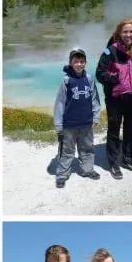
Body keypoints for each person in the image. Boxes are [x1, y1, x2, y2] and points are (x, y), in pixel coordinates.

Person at [96, 19, 132, 179]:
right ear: (119, 33)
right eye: (125, 31)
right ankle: (114, 164)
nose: (128, 34)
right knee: (114, 131)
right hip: (115, 99)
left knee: (130, 130)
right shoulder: (110, 51)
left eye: (131, 31)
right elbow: (100, 74)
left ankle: (128, 160)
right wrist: (117, 79)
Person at [53, 48, 102, 188]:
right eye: (76, 61)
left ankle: (87, 169)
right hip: (69, 123)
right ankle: (62, 174)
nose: (79, 64)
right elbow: (60, 103)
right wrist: (58, 124)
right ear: (70, 63)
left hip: (86, 122)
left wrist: (96, 116)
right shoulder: (67, 80)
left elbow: (95, 99)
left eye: (82, 61)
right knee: (67, 150)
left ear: (85, 62)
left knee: (87, 147)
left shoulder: (89, 78)